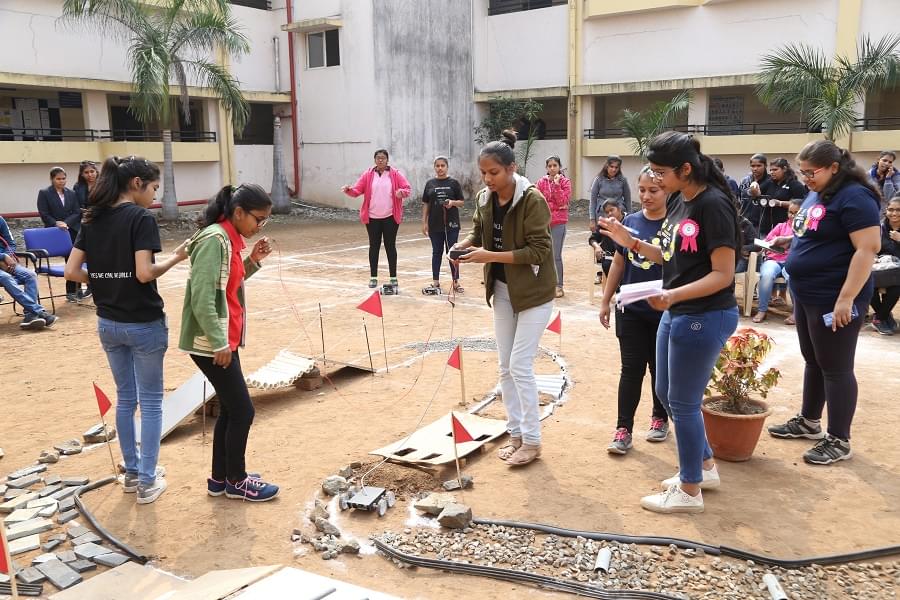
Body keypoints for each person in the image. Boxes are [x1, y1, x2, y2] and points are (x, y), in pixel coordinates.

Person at [599, 131, 741, 514]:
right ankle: (705, 466)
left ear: (685, 169)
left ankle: (689, 488)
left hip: (703, 314)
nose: (656, 181)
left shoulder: (712, 205)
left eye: (661, 173)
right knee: (665, 392)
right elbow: (668, 256)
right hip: (675, 311)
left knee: (682, 401)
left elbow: (723, 274)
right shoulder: (681, 200)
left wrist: (674, 295)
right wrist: (629, 242)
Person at [65, 156, 188, 505]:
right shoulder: (140, 218)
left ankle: (133, 474)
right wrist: (176, 258)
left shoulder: (93, 217)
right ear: (136, 183)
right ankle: (148, 480)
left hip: (108, 323)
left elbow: (72, 271)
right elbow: (145, 273)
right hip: (143, 322)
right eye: (153, 188)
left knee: (125, 398)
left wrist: (103, 279)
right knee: (150, 403)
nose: (154, 196)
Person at [768, 140, 881, 465]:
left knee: (836, 367)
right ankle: (809, 421)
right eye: (802, 172)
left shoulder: (855, 196)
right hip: (807, 293)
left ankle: (839, 439)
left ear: (834, 167)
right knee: (813, 360)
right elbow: (821, 231)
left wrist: (846, 299)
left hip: (834, 296)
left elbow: (867, 248)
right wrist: (790, 239)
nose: (806, 179)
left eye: (811, 172)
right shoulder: (819, 191)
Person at [452, 130, 556, 467]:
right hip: (502, 290)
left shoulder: (532, 200)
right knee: (504, 366)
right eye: (483, 173)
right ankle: (515, 434)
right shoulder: (485, 198)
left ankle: (533, 440)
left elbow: (539, 251)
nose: (487, 179)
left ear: (511, 168)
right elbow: (479, 233)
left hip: (534, 293)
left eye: (493, 172)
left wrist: (489, 256)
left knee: (519, 364)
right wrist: (465, 246)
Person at [179, 184, 280, 501]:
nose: (259, 226)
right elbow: (202, 298)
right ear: (238, 213)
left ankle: (221, 479)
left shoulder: (229, 240)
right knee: (243, 411)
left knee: (230, 409)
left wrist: (252, 261)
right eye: (258, 219)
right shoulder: (215, 240)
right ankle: (237, 480)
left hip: (224, 339)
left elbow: (228, 283)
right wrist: (218, 342)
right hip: (213, 343)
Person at [598, 167, 669, 455]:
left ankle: (659, 418)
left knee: (659, 370)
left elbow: (675, 263)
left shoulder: (675, 224)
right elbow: (618, 262)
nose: (646, 196)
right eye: (642, 190)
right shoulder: (629, 220)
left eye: (654, 190)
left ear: (667, 191)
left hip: (663, 312)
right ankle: (623, 429)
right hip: (631, 310)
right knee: (631, 370)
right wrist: (606, 299)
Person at [342, 149, 411, 291]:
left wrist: (401, 193)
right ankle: (373, 277)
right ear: (374, 160)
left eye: (383, 158)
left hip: (390, 217)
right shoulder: (368, 175)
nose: (380, 160)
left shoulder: (395, 174)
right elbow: (357, 191)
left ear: (387, 160)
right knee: (374, 246)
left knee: (390, 246)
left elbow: (407, 188)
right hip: (372, 217)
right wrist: (349, 190)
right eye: (378, 158)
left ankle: (393, 277)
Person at [0, 215, 58, 330]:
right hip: (2, 260)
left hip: (5, 262)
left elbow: (11, 243)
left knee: (30, 275)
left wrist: (7, 257)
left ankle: (30, 316)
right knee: (6, 277)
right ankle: (39, 312)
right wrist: (3, 256)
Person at [37, 166, 84, 302]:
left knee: (74, 259)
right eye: (58, 179)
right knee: (68, 260)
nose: (61, 181)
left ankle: (76, 290)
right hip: (55, 231)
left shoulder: (71, 193)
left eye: (63, 178)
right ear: (52, 179)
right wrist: (56, 223)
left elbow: (77, 212)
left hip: (72, 230)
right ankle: (71, 292)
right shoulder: (44, 193)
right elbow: (44, 213)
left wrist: (66, 223)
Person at [752, 199, 802, 323]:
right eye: (790, 212)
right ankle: (762, 310)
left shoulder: (805, 230)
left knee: (793, 277)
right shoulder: (780, 226)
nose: (792, 216)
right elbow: (767, 242)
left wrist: (789, 243)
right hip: (774, 259)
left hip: (792, 261)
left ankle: (796, 314)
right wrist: (776, 245)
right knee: (767, 275)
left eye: (796, 213)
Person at [421, 156, 465, 294]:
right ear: (434, 167)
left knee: (453, 253)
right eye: (437, 166)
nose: (440, 168)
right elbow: (426, 203)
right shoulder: (430, 184)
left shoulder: (454, 183)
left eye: (442, 166)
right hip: (435, 224)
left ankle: (456, 281)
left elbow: (462, 202)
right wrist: (424, 222)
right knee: (436, 252)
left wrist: (452, 203)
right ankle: (435, 281)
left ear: (447, 167)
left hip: (451, 224)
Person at [536, 155, 572, 298]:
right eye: (549, 166)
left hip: (558, 223)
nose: (552, 168)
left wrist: (557, 185)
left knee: (555, 255)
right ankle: (544, 284)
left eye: (555, 165)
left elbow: (563, 200)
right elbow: (538, 200)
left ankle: (558, 285)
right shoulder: (540, 182)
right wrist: (555, 205)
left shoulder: (565, 182)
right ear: (546, 168)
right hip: (543, 223)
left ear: (559, 167)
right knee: (542, 254)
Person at [871, 196, 900, 335]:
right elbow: (870, 248)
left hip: (898, 271)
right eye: (891, 210)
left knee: (896, 286)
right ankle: (884, 316)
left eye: (898, 210)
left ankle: (879, 317)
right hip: (880, 268)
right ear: (886, 211)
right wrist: (874, 257)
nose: (894, 213)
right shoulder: (879, 228)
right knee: (868, 283)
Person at [73, 160, 99, 300]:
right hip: (85, 224)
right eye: (86, 172)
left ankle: (99, 285)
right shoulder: (78, 187)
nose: (90, 175)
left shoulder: (104, 185)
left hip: (102, 223)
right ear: (82, 174)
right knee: (86, 256)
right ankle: (89, 286)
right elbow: (76, 207)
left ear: (97, 171)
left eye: (92, 171)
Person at [761, 158, 807, 234]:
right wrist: (754, 187)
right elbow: (757, 192)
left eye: (775, 170)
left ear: (784, 169)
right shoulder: (769, 183)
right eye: (771, 170)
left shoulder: (795, 185)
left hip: (786, 229)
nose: (772, 172)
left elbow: (802, 204)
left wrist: (780, 203)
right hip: (767, 227)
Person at [738, 153, 778, 231]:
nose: (755, 169)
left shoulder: (772, 181)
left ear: (765, 166)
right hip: (744, 222)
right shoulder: (744, 181)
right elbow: (740, 200)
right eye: (753, 166)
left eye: (759, 166)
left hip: (762, 225)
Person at [588, 200, 625, 282]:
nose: (610, 214)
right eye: (607, 212)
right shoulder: (604, 224)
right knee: (608, 264)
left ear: (619, 209)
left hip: (626, 257)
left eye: (612, 210)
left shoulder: (629, 220)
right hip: (609, 258)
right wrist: (597, 247)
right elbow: (592, 239)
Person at [590, 156, 631, 225]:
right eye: (611, 166)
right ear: (607, 166)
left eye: (616, 167)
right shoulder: (598, 180)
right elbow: (593, 201)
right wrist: (592, 219)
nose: (614, 169)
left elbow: (628, 200)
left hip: (619, 216)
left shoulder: (623, 180)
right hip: (602, 215)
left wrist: (630, 216)